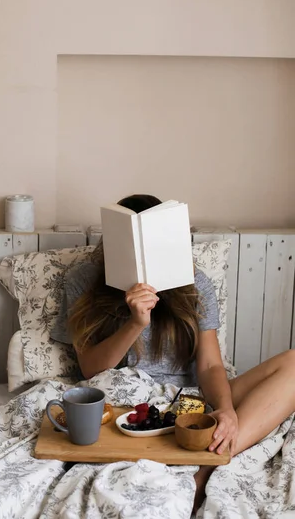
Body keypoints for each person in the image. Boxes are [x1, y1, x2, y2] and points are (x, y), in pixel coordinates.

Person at [51, 194, 295, 509]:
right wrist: (135, 323)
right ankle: (201, 462)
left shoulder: (195, 284)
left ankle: (204, 472)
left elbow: (209, 367)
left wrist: (226, 410)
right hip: (123, 404)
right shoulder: (82, 279)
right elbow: (90, 369)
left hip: (190, 400)